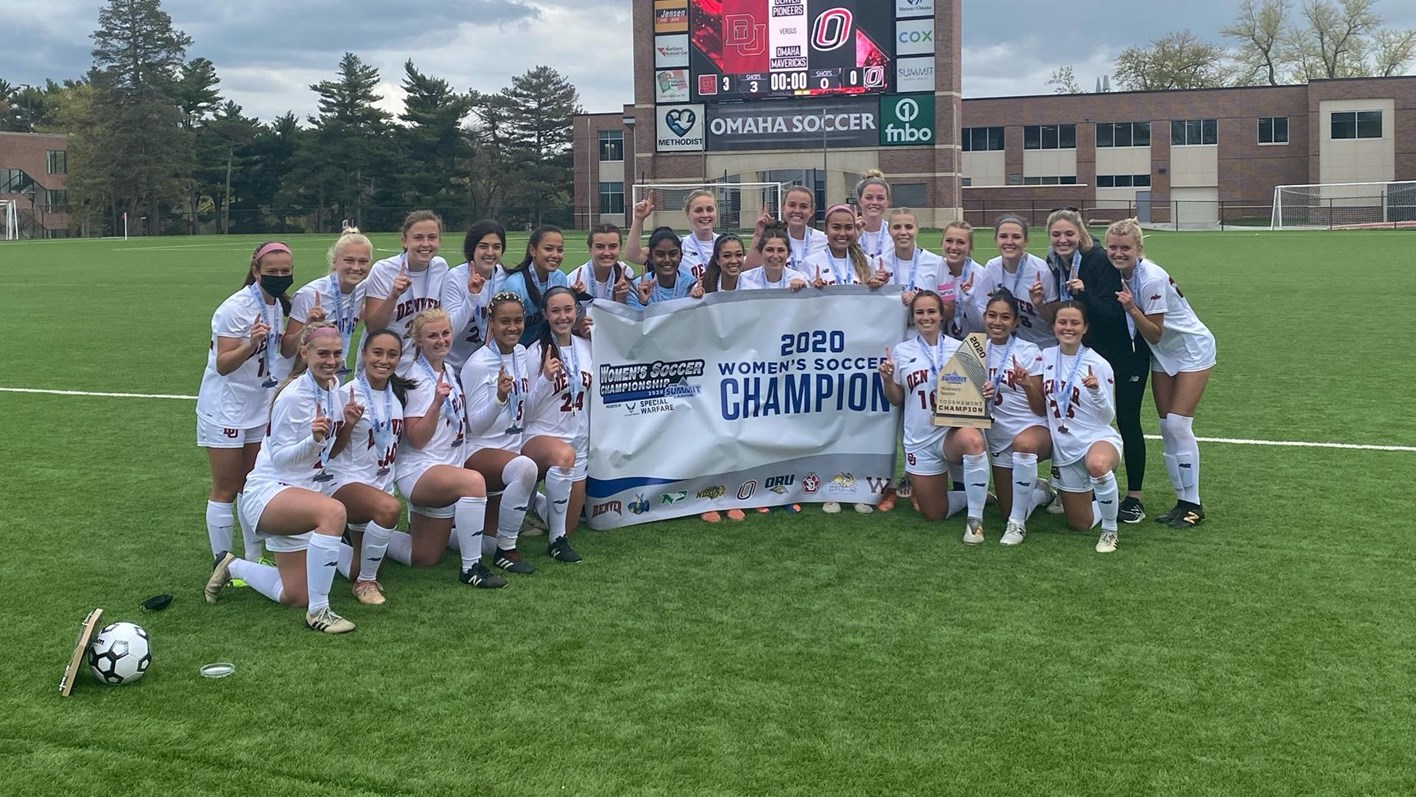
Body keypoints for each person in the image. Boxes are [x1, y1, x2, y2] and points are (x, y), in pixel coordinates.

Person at [204, 323, 362, 634]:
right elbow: (280, 459)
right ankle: (320, 612)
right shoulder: (293, 396)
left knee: (294, 595)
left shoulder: (332, 390)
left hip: (301, 494)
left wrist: (347, 426)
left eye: (336, 354)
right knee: (333, 512)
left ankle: (231, 565)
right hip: (269, 492)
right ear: (304, 353)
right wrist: (313, 441)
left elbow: (327, 453)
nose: (331, 361)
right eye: (322, 354)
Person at [1107, 218, 1216, 529]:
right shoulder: (1119, 273)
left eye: (1125, 248)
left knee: (1179, 424)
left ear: (1139, 249)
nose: (1118, 253)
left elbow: (1153, 333)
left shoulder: (1150, 278)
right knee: (1167, 426)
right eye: (1113, 247)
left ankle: (1193, 504)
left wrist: (1131, 309)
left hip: (1190, 348)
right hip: (1163, 353)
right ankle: (1180, 500)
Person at [1045, 208, 1150, 523]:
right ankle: (1080, 488)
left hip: (1123, 352)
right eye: (1056, 234)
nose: (1063, 240)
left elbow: (1113, 313)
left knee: (1127, 421)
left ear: (1080, 234)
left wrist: (1084, 294)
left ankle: (1134, 498)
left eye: (1068, 234)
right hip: (1084, 354)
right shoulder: (1054, 262)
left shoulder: (1099, 260)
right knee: (1080, 418)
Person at [461, 292, 578, 571]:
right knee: (525, 468)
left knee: (471, 544)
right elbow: (474, 425)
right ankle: (507, 550)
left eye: (517, 320)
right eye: (504, 321)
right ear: (491, 322)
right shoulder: (478, 364)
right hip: (481, 449)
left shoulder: (521, 354)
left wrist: (546, 380)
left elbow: (527, 409)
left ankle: (551, 533)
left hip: (511, 446)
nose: (512, 327)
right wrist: (499, 398)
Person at [390, 308, 506, 588]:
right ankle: (471, 567)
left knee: (424, 556)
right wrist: (435, 405)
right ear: (419, 340)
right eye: (432, 336)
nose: (441, 340)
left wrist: (499, 399)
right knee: (473, 483)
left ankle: (363, 534)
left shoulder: (449, 371)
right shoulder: (416, 380)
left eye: (445, 333)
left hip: (446, 466)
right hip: (420, 469)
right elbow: (416, 438)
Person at [196, 241, 294, 567]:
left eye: (286, 271)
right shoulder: (234, 308)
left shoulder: (280, 305)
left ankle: (253, 557)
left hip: (258, 406)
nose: (280, 277)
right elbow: (223, 364)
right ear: (256, 272)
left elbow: (285, 352)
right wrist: (251, 344)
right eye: (273, 272)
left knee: (251, 484)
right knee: (226, 486)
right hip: (226, 408)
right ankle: (221, 564)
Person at [879, 291, 993, 541]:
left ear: (942, 315)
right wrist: (888, 380)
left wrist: (985, 389)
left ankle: (975, 521)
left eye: (932, 311)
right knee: (933, 513)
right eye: (920, 312)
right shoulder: (901, 351)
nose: (926, 317)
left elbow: (977, 394)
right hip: (920, 437)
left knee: (973, 441)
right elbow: (896, 398)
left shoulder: (961, 348)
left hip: (950, 433)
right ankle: (976, 494)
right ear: (912, 317)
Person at [328, 328, 414, 605]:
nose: (384, 360)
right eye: (377, 352)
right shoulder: (345, 394)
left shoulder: (397, 392)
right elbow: (329, 452)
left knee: (355, 567)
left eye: (392, 354)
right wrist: (349, 424)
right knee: (389, 510)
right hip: (346, 482)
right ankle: (366, 583)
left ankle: (316, 545)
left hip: (379, 484)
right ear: (364, 354)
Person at [1041, 301, 1123, 553]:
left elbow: (1107, 416)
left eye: (1075, 323)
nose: (1068, 328)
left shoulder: (1097, 364)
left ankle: (1110, 530)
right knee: (1080, 523)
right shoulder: (1042, 358)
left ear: (1085, 328)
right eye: (1062, 322)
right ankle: (1109, 501)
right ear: (1054, 326)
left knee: (1097, 465)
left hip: (1097, 439)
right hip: (1065, 447)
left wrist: (1096, 391)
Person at [978, 292, 1055, 546]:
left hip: (1032, 428)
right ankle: (1041, 491)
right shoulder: (974, 350)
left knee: (1023, 445)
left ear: (1016, 323)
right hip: (998, 435)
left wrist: (1027, 386)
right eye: (992, 316)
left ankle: (1017, 525)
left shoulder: (1028, 351)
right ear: (984, 317)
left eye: (1005, 317)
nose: (997, 322)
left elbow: (1040, 408)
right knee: (1006, 508)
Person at [524, 287, 595, 544]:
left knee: (569, 525)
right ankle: (526, 503)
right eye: (555, 311)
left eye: (568, 309)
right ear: (545, 314)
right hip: (539, 437)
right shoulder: (534, 353)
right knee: (563, 455)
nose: (562, 316)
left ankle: (529, 506)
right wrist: (544, 379)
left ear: (577, 311)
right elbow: (525, 411)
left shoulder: (588, 347)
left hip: (577, 441)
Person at [361, 210, 449, 375]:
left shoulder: (440, 267)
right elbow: (373, 327)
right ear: (404, 241)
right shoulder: (384, 270)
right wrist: (393, 296)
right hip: (385, 364)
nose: (425, 244)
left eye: (432, 237)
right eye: (418, 238)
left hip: (422, 366)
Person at [285, 229, 372, 375]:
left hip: (333, 376)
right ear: (335, 261)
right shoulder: (310, 294)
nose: (356, 267)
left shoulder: (362, 288)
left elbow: (353, 315)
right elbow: (286, 350)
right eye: (349, 260)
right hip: (298, 379)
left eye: (363, 261)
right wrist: (307, 327)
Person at [973, 215, 1055, 348]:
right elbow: (985, 316)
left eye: (1016, 237)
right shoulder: (991, 267)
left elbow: (1054, 320)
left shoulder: (1042, 271)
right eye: (1003, 236)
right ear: (996, 240)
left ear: (1026, 241)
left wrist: (1040, 305)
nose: (1009, 242)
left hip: (1040, 345)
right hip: (1006, 348)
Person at [441, 220, 509, 372]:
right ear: (472, 249)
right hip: (456, 367)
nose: (490, 253)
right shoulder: (455, 277)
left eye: (496, 247)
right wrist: (472, 297)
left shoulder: (505, 277)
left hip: (490, 367)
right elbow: (450, 330)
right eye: (483, 246)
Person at [627, 190, 721, 280]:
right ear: (688, 214)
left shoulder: (726, 243)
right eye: (698, 210)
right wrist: (639, 219)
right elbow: (634, 255)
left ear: (716, 212)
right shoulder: (679, 245)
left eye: (709, 209)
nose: (705, 215)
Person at [501, 225, 569, 345]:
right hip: (519, 350)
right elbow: (505, 328)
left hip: (550, 346)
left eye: (560, 250)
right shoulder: (514, 285)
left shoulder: (560, 278)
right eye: (548, 249)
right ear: (533, 250)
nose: (555, 255)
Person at [747, 184, 827, 271]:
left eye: (803, 206)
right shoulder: (772, 239)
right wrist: (758, 235)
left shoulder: (824, 240)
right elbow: (750, 272)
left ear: (812, 211)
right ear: (783, 208)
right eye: (792, 205)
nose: (797, 211)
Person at [805, 204, 888, 289]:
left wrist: (878, 284)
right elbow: (801, 299)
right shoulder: (810, 263)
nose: (842, 233)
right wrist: (813, 289)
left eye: (848, 228)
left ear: (854, 229)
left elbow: (873, 299)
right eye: (836, 227)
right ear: (825, 230)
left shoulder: (866, 262)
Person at [628, 227, 703, 307]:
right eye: (660, 254)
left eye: (673, 254)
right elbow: (632, 318)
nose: (667, 260)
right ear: (650, 258)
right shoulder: (637, 287)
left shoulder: (690, 284)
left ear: (681, 257)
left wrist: (696, 301)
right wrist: (642, 302)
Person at [883, 207, 942, 306]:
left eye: (909, 227)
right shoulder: (879, 263)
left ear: (917, 229)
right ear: (889, 230)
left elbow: (948, 307)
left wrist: (918, 302)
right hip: (890, 321)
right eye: (897, 227)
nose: (903, 232)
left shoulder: (937, 263)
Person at [567, 224, 635, 307]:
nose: (606, 253)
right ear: (590, 249)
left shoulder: (626, 272)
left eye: (613, 246)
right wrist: (575, 298)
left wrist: (621, 299)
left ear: (620, 248)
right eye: (600, 247)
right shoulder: (573, 280)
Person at [939, 221, 985, 340]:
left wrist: (969, 303)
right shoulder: (934, 270)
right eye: (949, 241)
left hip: (973, 345)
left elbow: (982, 327)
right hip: (940, 343)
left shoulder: (981, 275)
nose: (953, 247)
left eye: (960, 242)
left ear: (970, 246)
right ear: (942, 242)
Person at [739, 223, 809, 291]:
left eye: (781, 250)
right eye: (770, 250)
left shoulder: (798, 279)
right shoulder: (746, 279)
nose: (775, 256)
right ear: (760, 252)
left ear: (788, 253)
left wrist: (803, 291)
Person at [855, 171, 892, 261]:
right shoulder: (849, 233)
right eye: (869, 197)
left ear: (887, 202)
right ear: (860, 200)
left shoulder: (895, 233)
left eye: (880, 198)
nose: (874, 202)